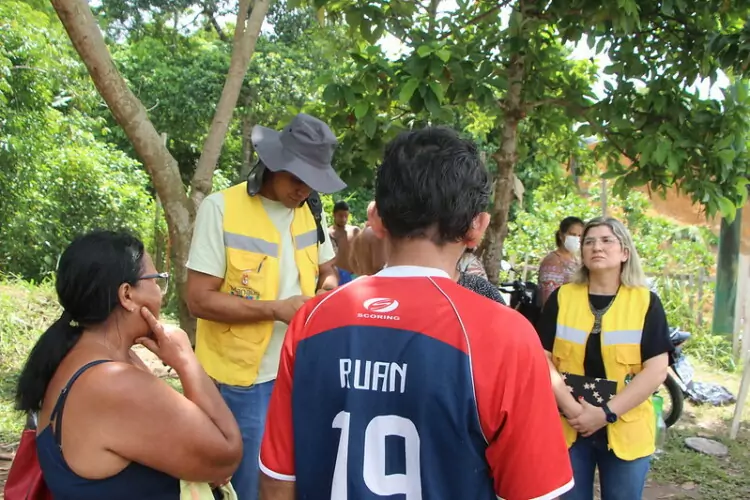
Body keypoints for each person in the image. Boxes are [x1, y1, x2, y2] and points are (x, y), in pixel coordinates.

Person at [258, 127, 573, 500]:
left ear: (376, 219)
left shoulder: (312, 320)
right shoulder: (506, 335)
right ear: (478, 227)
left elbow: (278, 479)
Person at [15, 230, 242, 500]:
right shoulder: (114, 382)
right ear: (127, 295)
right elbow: (225, 455)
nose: (160, 293)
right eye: (156, 281)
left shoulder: (75, 354)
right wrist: (186, 360)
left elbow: (200, 451)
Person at [185, 113, 343, 500]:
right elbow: (198, 299)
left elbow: (328, 270)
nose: (303, 190)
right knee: (249, 486)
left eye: (312, 181)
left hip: (296, 370)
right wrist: (276, 310)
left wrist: (326, 290)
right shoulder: (222, 210)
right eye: (296, 178)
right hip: (241, 381)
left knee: (287, 478)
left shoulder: (310, 211)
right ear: (274, 164)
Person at [536, 217, 672, 500]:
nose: (597, 246)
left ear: (625, 252)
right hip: (568, 424)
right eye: (589, 241)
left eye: (606, 240)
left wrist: (605, 413)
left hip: (625, 423)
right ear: (582, 253)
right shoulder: (563, 298)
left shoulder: (646, 302)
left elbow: (656, 370)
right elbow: (541, 358)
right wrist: (574, 410)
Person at [539, 216, 585, 305]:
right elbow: (549, 297)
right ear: (561, 235)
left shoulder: (577, 259)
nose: (577, 239)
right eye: (572, 234)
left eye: (580, 236)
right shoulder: (553, 261)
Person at [328, 200, 360, 285]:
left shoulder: (354, 231)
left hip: (353, 275)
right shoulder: (328, 233)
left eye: (346, 216)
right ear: (334, 214)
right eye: (340, 216)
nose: (343, 219)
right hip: (336, 275)